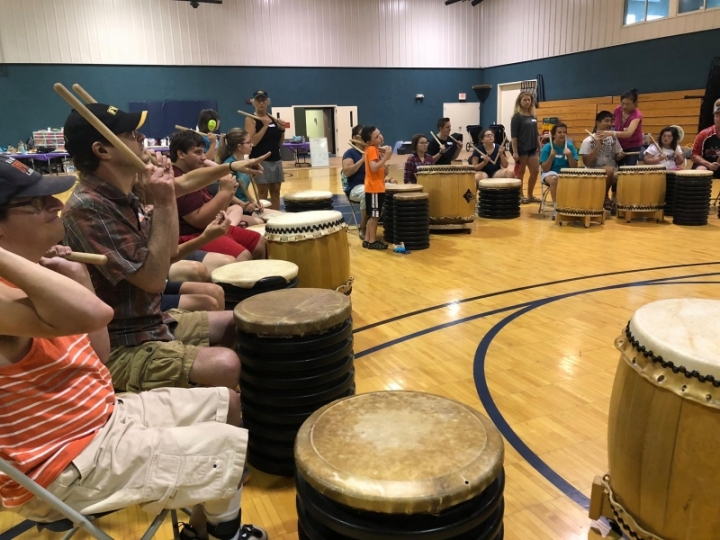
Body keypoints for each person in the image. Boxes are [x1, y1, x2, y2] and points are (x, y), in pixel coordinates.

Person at [0, 158, 266, 540]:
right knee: (224, 447)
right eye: (36, 204)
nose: (56, 205)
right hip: (61, 464)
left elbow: (98, 355)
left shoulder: (39, 272)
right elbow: (99, 312)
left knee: (228, 403)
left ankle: (205, 530)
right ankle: (224, 534)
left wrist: (80, 277)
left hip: (101, 418)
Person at [61, 103, 250, 393]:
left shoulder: (122, 194)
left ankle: (211, 399)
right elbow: (153, 279)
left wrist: (167, 195)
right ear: (102, 150)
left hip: (150, 322)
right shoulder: (89, 207)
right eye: (130, 133)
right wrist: (163, 200)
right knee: (225, 364)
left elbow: (168, 251)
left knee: (240, 324)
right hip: (121, 342)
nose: (141, 138)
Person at [171, 130, 266, 261]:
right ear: (181, 154)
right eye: (198, 152)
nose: (204, 157)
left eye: (203, 152)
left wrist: (229, 193)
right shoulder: (176, 178)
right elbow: (200, 221)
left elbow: (218, 211)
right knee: (243, 255)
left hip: (211, 226)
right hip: (193, 235)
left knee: (259, 242)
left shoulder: (195, 172)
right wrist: (225, 192)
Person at [214, 128, 264, 226]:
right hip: (233, 210)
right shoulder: (229, 165)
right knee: (261, 223)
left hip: (246, 207)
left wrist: (254, 202)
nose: (252, 145)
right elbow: (223, 191)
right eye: (249, 142)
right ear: (239, 147)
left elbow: (243, 189)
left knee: (276, 217)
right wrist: (243, 205)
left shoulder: (243, 162)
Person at [246, 90, 286, 210]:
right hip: (260, 161)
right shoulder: (251, 119)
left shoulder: (273, 119)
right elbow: (252, 142)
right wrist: (264, 126)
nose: (261, 103)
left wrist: (282, 130)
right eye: (258, 101)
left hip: (276, 159)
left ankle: (277, 217)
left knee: (276, 192)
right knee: (263, 193)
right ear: (254, 103)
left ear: (268, 102)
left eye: (263, 100)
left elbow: (279, 143)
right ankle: (263, 218)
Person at [580, 110, 625, 206]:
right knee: (609, 170)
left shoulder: (613, 138)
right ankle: (604, 197)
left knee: (627, 174)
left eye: (611, 121)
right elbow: (587, 163)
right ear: (597, 123)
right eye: (606, 121)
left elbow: (616, 156)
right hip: (593, 170)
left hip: (612, 170)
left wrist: (620, 155)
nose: (610, 124)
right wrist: (597, 146)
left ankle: (621, 204)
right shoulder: (588, 141)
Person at [361, 125, 392, 250]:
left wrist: (384, 158)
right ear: (370, 141)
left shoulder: (375, 150)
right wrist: (385, 158)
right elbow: (373, 168)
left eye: (380, 134)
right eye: (376, 136)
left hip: (377, 187)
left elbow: (382, 170)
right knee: (375, 216)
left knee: (373, 215)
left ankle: (367, 240)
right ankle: (372, 241)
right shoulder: (372, 149)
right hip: (374, 188)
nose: (380, 137)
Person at [539, 123, 578, 219]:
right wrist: (551, 156)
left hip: (566, 172)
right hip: (550, 172)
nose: (562, 134)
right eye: (559, 132)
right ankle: (557, 209)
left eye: (564, 132)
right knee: (554, 180)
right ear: (553, 134)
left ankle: (574, 207)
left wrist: (570, 155)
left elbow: (574, 167)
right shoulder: (547, 147)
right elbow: (545, 169)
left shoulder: (569, 146)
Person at [511, 91, 541, 203]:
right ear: (520, 101)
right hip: (521, 147)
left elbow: (536, 132)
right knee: (521, 171)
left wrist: (539, 146)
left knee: (535, 171)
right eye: (525, 100)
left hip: (532, 147)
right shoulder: (517, 116)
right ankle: (519, 195)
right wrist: (515, 151)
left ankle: (530, 195)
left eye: (529, 100)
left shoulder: (533, 115)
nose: (527, 102)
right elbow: (514, 136)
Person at [604, 89, 643, 166]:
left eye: (628, 104)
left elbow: (628, 133)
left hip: (633, 145)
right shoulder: (618, 109)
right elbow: (612, 122)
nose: (624, 106)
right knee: (618, 166)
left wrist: (611, 133)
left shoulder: (637, 115)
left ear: (634, 104)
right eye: (622, 103)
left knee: (629, 168)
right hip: (619, 144)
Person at [342, 125, 368, 238]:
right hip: (355, 188)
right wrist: (362, 160)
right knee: (368, 192)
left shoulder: (371, 151)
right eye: (363, 135)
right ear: (355, 137)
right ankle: (363, 226)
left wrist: (384, 157)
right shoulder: (350, 153)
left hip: (371, 184)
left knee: (391, 189)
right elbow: (347, 172)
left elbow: (385, 172)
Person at [691, 105, 720, 178]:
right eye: (717, 116)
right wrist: (709, 164)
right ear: (714, 118)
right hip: (705, 165)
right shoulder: (704, 134)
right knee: (701, 169)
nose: (719, 118)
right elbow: (694, 156)